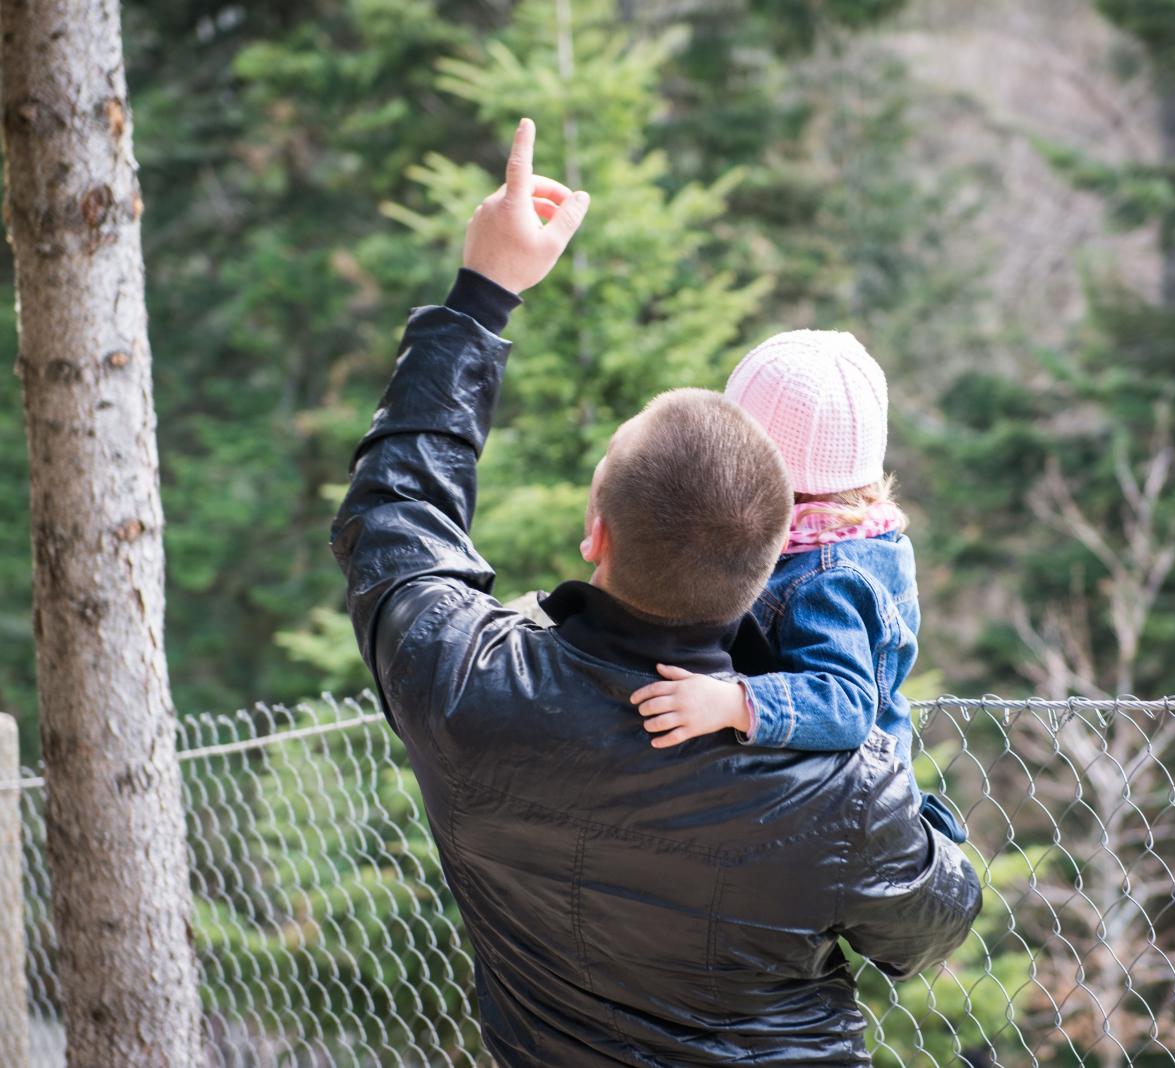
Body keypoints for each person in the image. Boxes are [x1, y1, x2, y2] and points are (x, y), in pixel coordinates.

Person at [330, 117, 981, 1065]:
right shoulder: (843, 789)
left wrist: (482, 294)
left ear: (596, 529)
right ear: (776, 558)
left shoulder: (462, 686)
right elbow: (933, 925)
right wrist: (884, 763)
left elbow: (396, 507)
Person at [626, 330, 968, 843]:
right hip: (812, 803)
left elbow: (846, 703)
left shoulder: (828, 576)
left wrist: (733, 702)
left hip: (835, 816)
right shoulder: (859, 538)